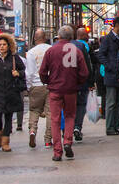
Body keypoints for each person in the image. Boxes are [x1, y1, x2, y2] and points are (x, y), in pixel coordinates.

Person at [38, 25, 89, 161]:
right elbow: (84, 72)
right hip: (71, 89)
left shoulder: (51, 50)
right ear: (71, 37)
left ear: (58, 36)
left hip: (55, 89)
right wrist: (77, 83)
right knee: (70, 116)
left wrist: (48, 81)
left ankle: (57, 151)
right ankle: (67, 141)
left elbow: (42, 71)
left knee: (55, 119)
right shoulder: (77, 51)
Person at [0, 33, 26, 151]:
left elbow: (24, 70)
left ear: (9, 46)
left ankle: (5, 141)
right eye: (0, 45)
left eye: (4, 44)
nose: (2, 47)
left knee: (8, 117)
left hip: (11, 91)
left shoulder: (14, 58)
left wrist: (18, 73)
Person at [97, 17, 119, 135]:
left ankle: (116, 126)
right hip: (111, 75)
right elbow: (101, 54)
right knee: (111, 102)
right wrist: (109, 66)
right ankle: (109, 127)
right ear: (117, 25)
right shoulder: (107, 39)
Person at [24, 28, 51, 148]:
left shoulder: (31, 52)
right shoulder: (51, 50)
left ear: (35, 38)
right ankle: (47, 139)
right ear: (45, 38)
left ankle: (32, 131)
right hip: (50, 85)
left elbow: (28, 72)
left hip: (36, 85)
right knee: (50, 113)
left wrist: (29, 87)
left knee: (34, 110)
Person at [73, 27, 96, 142]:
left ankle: (68, 128)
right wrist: (91, 81)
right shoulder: (84, 46)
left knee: (70, 105)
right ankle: (77, 127)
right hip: (82, 81)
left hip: (69, 82)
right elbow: (89, 65)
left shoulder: (66, 46)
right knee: (81, 105)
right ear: (83, 35)